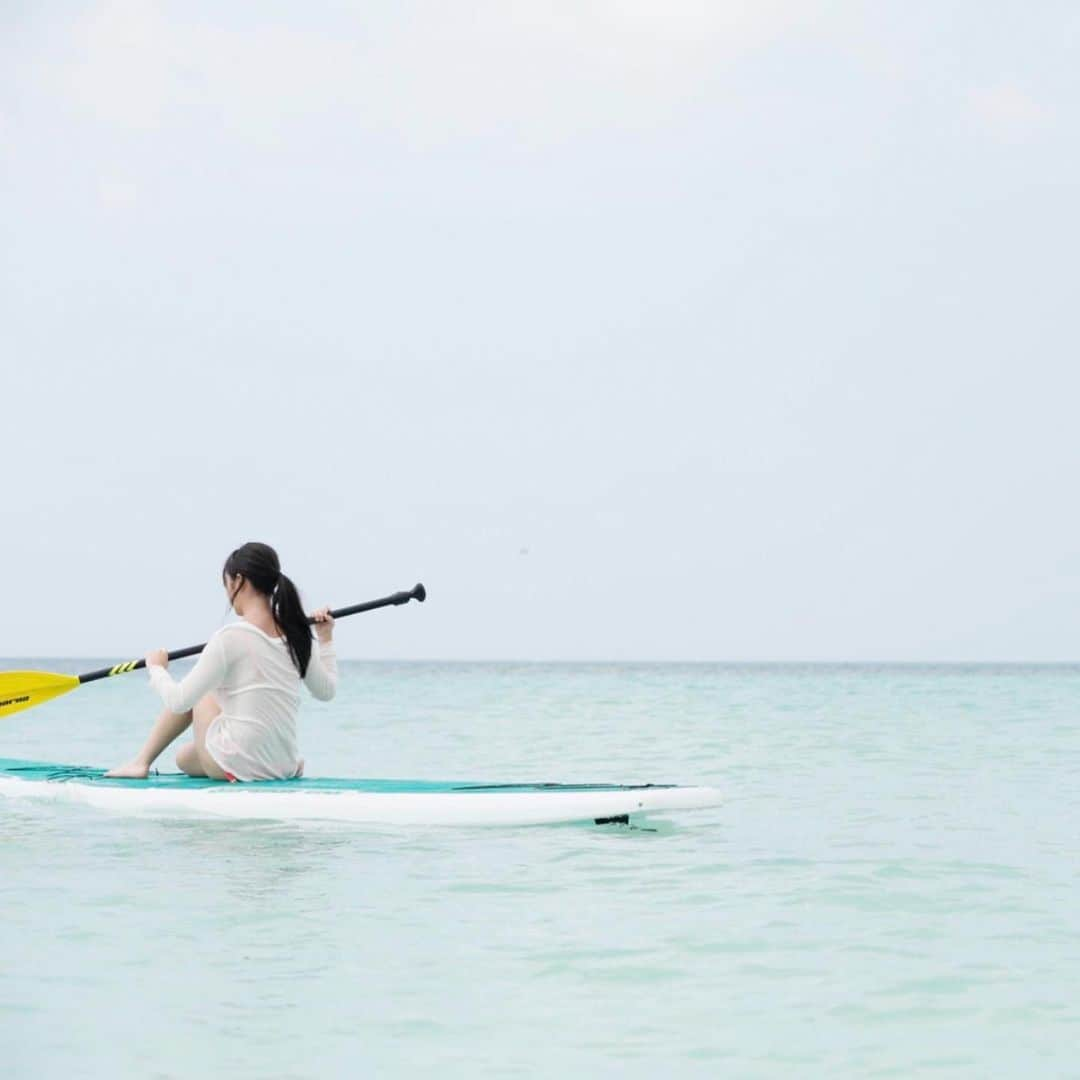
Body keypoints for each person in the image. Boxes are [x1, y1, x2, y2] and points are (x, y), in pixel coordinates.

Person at [106, 542, 337, 781]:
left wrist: (156, 669)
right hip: (283, 767)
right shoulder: (297, 636)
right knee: (184, 758)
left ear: (238, 581)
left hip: (243, 767)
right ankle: (154, 762)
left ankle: (139, 763)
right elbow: (326, 691)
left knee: (199, 694)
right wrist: (325, 639)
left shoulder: (229, 638)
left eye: (226, 585)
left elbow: (178, 701)